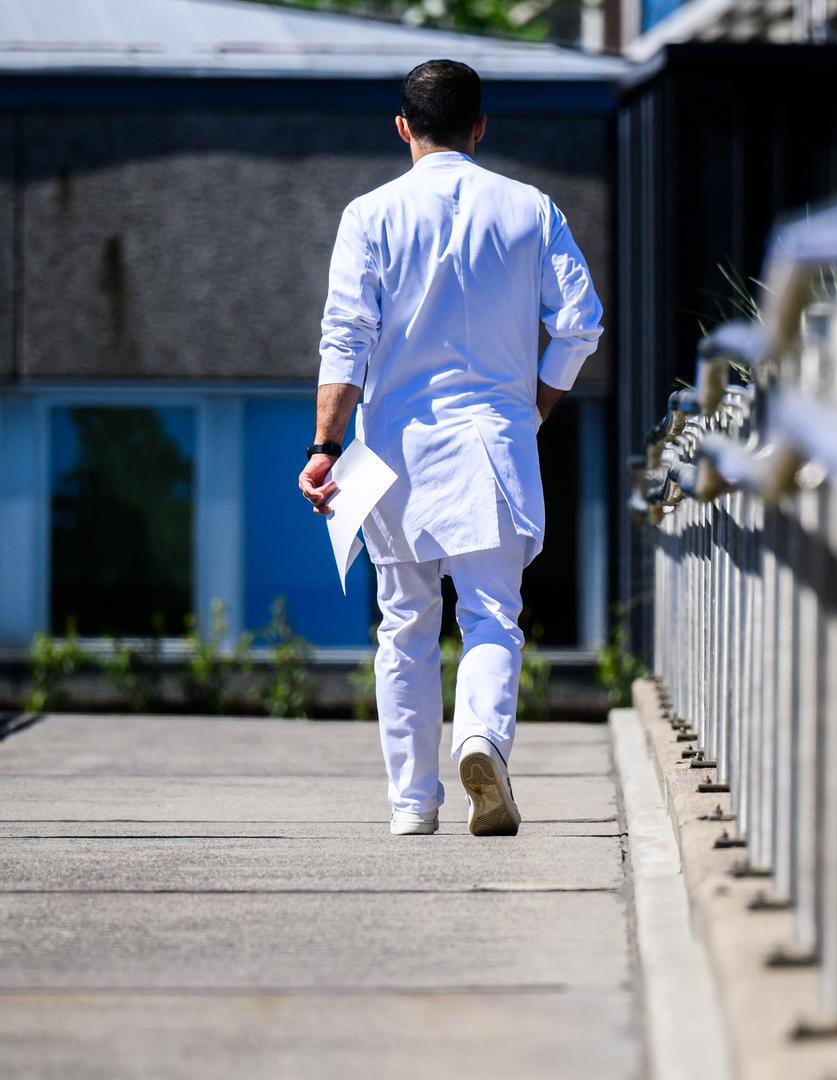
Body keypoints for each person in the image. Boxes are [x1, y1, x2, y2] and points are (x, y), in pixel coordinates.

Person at [299, 59, 603, 837]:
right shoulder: (530, 208)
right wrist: (531, 406)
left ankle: (412, 803)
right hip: (494, 444)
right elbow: (579, 321)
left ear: (402, 127)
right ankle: (481, 740)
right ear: (480, 126)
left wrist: (325, 446)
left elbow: (345, 340)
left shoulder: (370, 215)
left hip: (394, 450)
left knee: (404, 623)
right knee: (493, 615)